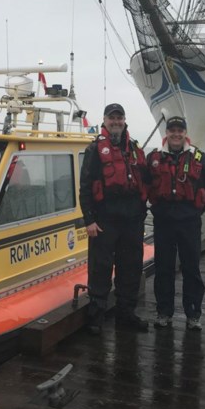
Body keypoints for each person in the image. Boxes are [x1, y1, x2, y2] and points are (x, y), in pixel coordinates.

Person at [78, 103, 150, 334]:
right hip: (104, 220)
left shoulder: (135, 149)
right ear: (105, 121)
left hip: (132, 220)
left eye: (119, 118)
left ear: (124, 120)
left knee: (130, 269)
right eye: (112, 118)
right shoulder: (94, 150)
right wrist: (88, 220)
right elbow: (85, 187)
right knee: (100, 269)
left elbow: (147, 181)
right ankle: (96, 317)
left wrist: (143, 212)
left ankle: (126, 314)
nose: (116, 122)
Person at [146, 116, 205, 331]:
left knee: (191, 268)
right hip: (163, 221)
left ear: (186, 133)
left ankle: (193, 314)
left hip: (189, 222)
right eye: (172, 130)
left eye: (180, 130)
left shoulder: (201, 159)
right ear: (166, 133)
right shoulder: (153, 158)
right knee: (163, 268)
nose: (176, 134)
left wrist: (193, 212)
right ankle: (164, 312)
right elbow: (146, 187)